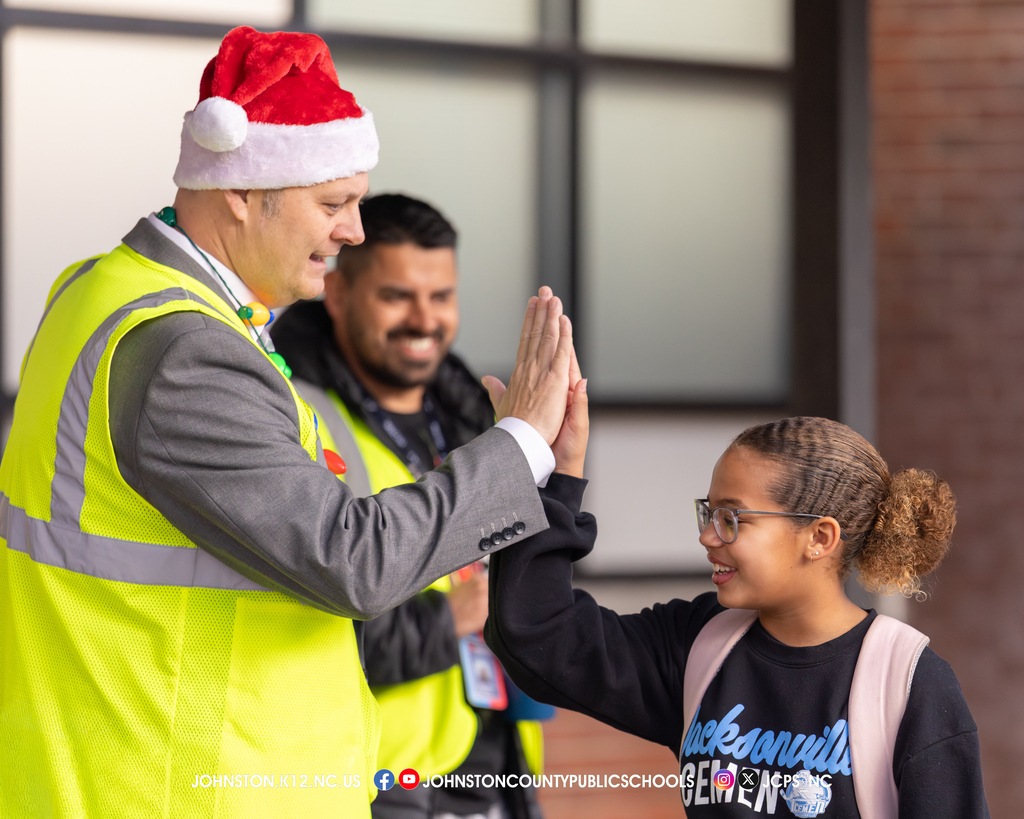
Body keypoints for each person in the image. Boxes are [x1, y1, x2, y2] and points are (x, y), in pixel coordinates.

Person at [0, 27, 575, 819]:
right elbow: (354, 561)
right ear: (240, 192)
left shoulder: (104, 291)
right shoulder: (184, 353)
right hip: (182, 787)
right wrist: (522, 446)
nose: (354, 232)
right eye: (333, 204)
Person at [485, 404, 991, 817]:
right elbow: (536, 632)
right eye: (710, 513)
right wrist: (553, 477)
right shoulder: (699, 643)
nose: (707, 535)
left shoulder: (907, 683)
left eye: (732, 518)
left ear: (818, 537)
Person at [271, 193, 545, 819]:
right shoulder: (291, 419)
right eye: (397, 296)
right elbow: (291, 631)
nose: (425, 320)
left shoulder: (475, 416)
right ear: (337, 296)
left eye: (441, 296)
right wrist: (449, 621)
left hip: (501, 768)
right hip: (380, 787)